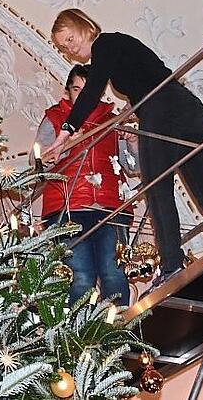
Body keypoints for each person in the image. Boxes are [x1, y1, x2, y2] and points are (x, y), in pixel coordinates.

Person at [43, 9, 203, 286]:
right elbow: (150, 75)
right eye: (64, 47)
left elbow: (92, 91)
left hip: (161, 110)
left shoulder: (105, 44)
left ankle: (171, 265)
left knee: (158, 188)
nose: (70, 49)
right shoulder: (119, 46)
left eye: (69, 39)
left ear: (84, 26)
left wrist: (63, 135)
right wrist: (134, 108)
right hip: (188, 108)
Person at [35, 64, 134, 305]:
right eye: (76, 89)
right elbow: (38, 163)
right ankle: (79, 328)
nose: (82, 95)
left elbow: (134, 166)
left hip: (110, 207)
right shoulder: (55, 118)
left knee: (114, 274)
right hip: (66, 207)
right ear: (68, 91)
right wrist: (66, 146)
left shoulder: (112, 121)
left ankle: (118, 327)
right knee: (80, 277)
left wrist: (133, 143)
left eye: (88, 90)